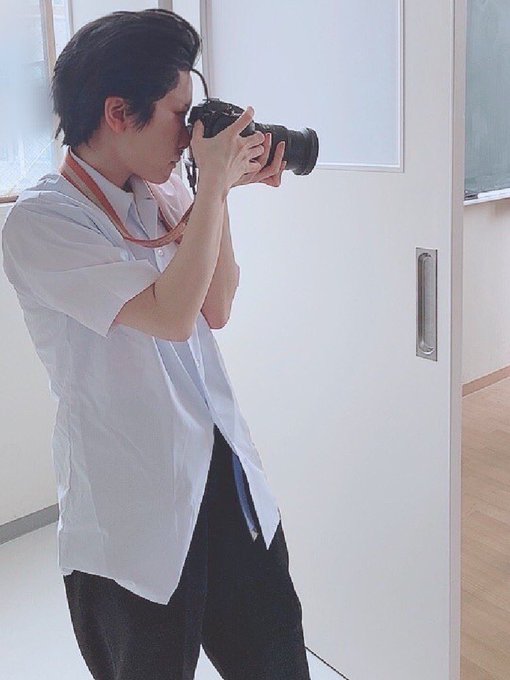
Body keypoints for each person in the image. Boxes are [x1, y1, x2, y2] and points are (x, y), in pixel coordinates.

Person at [1, 8, 311, 680]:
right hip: (131, 510)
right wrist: (214, 186)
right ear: (118, 112)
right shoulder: (40, 222)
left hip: (222, 477)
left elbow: (215, 307)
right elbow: (171, 315)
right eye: (178, 113)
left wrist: (213, 190)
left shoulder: (166, 189)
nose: (190, 132)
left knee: (277, 661)